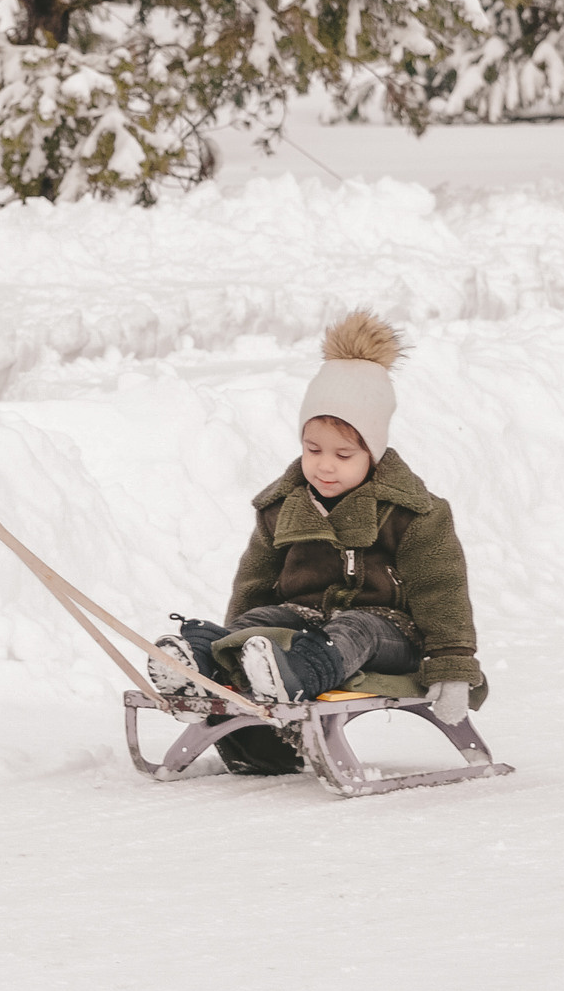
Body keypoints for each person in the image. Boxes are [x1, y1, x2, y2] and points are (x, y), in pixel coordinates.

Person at [149, 312, 486, 770]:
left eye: (343, 454)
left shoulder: (413, 512)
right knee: (262, 615)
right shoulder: (283, 506)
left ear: (374, 451)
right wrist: (241, 639)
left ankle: (294, 678)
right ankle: (201, 664)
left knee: (356, 628)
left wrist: (451, 665)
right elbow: (254, 581)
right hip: (305, 622)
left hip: (390, 632)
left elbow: (441, 591)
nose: (325, 465)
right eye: (313, 450)